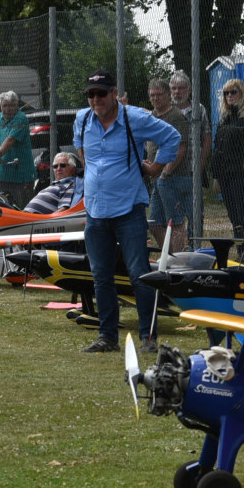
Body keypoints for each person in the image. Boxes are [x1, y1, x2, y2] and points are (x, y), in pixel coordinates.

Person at [74, 69, 178, 354]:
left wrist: (156, 167)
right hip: (95, 211)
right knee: (101, 276)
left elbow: (173, 137)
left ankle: (148, 337)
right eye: (91, 95)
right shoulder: (82, 119)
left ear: (114, 93)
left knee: (139, 275)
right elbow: (81, 150)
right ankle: (107, 337)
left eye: (101, 94)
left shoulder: (136, 118)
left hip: (129, 210)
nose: (96, 99)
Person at [210, 78, 244, 239]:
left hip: (240, 173)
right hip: (224, 173)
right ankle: (240, 247)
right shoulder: (225, 117)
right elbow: (218, 145)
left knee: (243, 214)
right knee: (233, 216)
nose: (229, 96)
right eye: (226, 93)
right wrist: (215, 172)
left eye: (233, 92)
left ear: (241, 93)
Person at [145, 78, 194, 253]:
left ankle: (179, 260)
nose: (155, 98)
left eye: (159, 95)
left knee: (175, 222)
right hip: (158, 177)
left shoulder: (176, 116)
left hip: (173, 177)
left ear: (168, 95)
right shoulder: (152, 117)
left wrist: (166, 172)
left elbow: (180, 148)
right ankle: (170, 255)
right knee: (155, 223)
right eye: (152, 95)